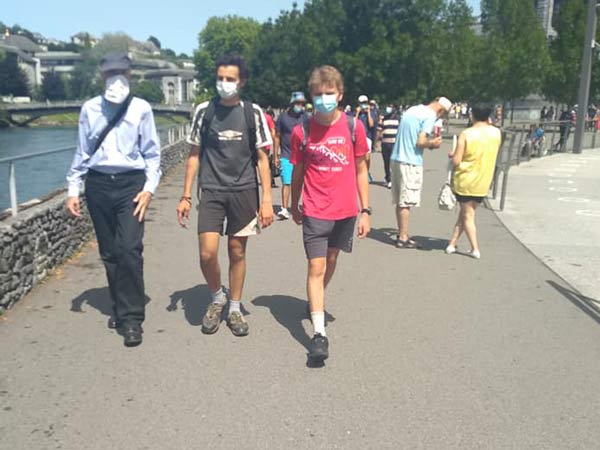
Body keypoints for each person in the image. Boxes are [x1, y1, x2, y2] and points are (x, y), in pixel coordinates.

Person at [65, 52, 161, 347]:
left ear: (129, 75)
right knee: (110, 252)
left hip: (131, 184)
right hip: (98, 184)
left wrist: (149, 189)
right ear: (102, 76)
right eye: (110, 73)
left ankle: (132, 319)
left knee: (129, 248)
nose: (115, 79)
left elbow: (152, 153)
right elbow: (82, 151)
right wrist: (73, 188)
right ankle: (120, 307)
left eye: (120, 73)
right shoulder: (90, 108)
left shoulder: (141, 108)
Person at [176, 54, 274, 337]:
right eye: (220, 78)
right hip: (212, 190)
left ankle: (234, 308)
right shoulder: (204, 111)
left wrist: (267, 200)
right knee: (207, 254)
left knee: (237, 251)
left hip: (244, 191)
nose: (224, 83)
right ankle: (217, 296)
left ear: (241, 82)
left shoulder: (252, 112)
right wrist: (185, 196)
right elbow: (194, 155)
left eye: (230, 79)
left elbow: (262, 159)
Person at [290, 65, 370, 363]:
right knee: (316, 266)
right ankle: (319, 334)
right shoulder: (302, 131)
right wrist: (293, 203)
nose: (324, 98)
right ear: (311, 96)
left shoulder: (353, 127)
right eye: (318, 94)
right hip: (315, 209)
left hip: (346, 210)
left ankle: (315, 299)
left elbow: (361, 169)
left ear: (340, 94)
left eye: (329, 93)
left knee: (331, 260)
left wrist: (366, 210)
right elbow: (298, 171)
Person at [390, 97, 452, 249]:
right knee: (406, 201)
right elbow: (420, 141)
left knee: (400, 200)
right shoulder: (429, 116)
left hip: (397, 157)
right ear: (441, 111)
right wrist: (433, 144)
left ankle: (402, 233)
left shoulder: (413, 109)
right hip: (410, 161)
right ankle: (403, 237)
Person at [446, 105, 501, 259]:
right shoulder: (496, 133)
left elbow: (457, 160)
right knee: (466, 213)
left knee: (467, 215)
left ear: (472, 115)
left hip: (465, 178)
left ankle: (474, 248)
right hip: (484, 178)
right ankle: (452, 243)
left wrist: (453, 154)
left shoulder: (466, 134)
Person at [274, 91, 306, 219]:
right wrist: (275, 155)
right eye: (298, 103)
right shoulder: (283, 117)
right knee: (287, 182)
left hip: (303, 157)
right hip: (287, 155)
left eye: (302, 103)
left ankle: (299, 206)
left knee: (301, 183)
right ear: (292, 103)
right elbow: (277, 136)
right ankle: (284, 208)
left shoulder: (306, 117)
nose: (300, 105)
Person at [355, 94, 378, 182]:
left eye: (364, 102)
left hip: (367, 136)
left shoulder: (371, 113)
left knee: (367, 157)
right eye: (361, 103)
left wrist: (368, 112)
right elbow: (354, 123)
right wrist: (357, 113)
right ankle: (358, 172)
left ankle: (367, 171)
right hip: (358, 137)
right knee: (358, 157)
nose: (363, 104)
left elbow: (371, 124)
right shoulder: (357, 113)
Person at [380, 105, 400, 188]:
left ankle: (393, 179)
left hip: (394, 143)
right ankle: (388, 178)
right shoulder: (384, 119)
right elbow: (379, 130)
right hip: (385, 143)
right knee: (386, 162)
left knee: (394, 162)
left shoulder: (398, 119)